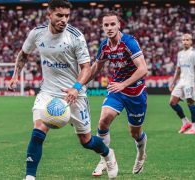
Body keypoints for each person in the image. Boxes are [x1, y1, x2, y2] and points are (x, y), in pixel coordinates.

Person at [7, 1, 117, 179]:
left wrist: (76, 87)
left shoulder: (75, 36)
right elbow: (23, 54)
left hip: (74, 93)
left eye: (67, 15)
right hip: (48, 92)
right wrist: (15, 75)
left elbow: (86, 68)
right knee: (39, 129)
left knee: (86, 141)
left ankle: (107, 154)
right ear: (49, 15)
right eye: (59, 15)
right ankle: (29, 177)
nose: (64, 19)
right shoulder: (37, 33)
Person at [87, 11, 148, 177]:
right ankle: (104, 159)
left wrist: (124, 84)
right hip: (117, 90)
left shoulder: (129, 42)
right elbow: (95, 68)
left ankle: (141, 154)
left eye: (112, 24)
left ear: (119, 24)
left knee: (135, 133)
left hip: (136, 92)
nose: (109, 28)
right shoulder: (104, 46)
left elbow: (143, 69)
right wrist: (80, 85)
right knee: (103, 121)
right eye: (106, 25)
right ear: (102, 27)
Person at [169, 33, 195, 135]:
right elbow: (178, 69)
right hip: (181, 81)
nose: (185, 41)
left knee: (190, 103)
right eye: (183, 40)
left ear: (191, 41)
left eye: (187, 40)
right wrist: (173, 82)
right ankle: (186, 122)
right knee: (172, 102)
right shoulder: (180, 54)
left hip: (190, 82)